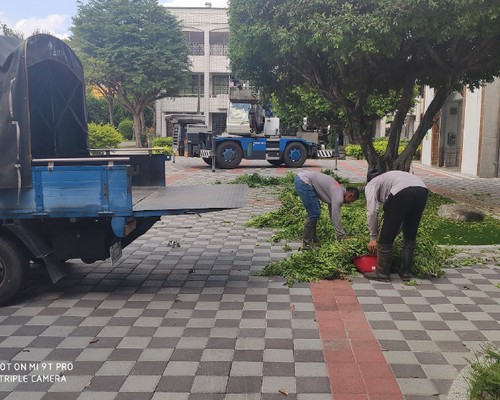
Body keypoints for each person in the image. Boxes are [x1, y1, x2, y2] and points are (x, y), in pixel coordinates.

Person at [364, 169, 429, 282]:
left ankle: (382, 272)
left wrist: (373, 238)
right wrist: (393, 227)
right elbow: (399, 218)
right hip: (422, 190)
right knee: (410, 231)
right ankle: (405, 272)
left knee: (386, 235)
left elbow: (372, 211)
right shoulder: (389, 178)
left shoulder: (371, 184)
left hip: (403, 191)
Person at [294, 171, 360, 249]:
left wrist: (340, 231)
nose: (349, 203)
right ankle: (307, 243)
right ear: (350, 195)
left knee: (315, 211)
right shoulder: (339, 196)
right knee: (314, 213)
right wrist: (342, 235)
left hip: (303, 178)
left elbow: (332, 214)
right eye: (351, 201)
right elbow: (336, 217)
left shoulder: (339, 191)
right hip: (304, 181)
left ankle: (311, 240)